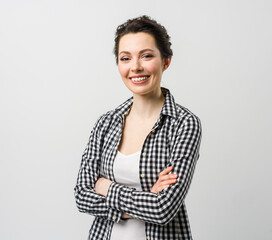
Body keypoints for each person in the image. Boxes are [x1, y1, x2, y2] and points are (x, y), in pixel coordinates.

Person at [74, 15, 202, 240]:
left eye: (147, 56)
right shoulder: (106, 123)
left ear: (166, 61)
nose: (135, 67)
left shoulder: (184, 123)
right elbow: (82, 196)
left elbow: (164, 209)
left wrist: (106, 187)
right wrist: (146, 198)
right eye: (125, 58)